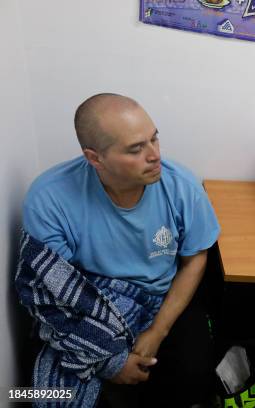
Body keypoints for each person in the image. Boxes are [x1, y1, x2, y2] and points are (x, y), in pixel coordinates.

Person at [21, 93, 220, 407]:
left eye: (154, 139)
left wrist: (157, 331)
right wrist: (109, 362)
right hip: (91, 303)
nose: (154, 155)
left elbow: (195, 259)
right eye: (136, 148)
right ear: (95, 158)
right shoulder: (49, 198)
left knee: (194, 382)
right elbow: (55, 291)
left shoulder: (181, 185)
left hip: (161, 299)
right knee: (47, 395)